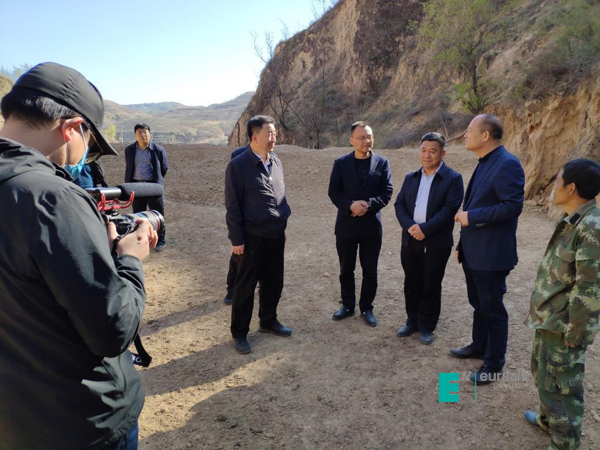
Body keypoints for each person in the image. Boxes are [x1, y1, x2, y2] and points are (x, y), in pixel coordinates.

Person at [0, 62, 157, 450]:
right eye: (89, 143)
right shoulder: (53, 198)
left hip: (17, 420)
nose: (84, 157)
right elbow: (113, 328)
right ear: (71, 128)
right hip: (84, 422)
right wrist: (129, 258)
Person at [523, 159, 600, 450]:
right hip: (551, 319)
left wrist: (575, 332)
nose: (553, 186)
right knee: (542, 373)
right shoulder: (574, 219)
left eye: (558, 181)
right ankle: (548, 420)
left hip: (565, 326)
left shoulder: (592, 227)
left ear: (571, 188)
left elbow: (590, 288)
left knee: (562, 387)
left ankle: (564, 443)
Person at [450, 114, 525, 384]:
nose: (464, 135)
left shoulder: (507, 163)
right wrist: (462, 244)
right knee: (478, 304)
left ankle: (493, 364)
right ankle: (479, 346)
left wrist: (472, 217)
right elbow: (475, 204)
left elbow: (512, 207)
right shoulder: (485, 161)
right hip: (474, 251)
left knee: (492, 309)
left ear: (485, 135)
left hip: (492, 254)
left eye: (469, 130)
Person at [224, 115, 292, 354]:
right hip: (252, 236)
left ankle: (268, 320)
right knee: (245, 286)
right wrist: (237, 240)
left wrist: (282, 226)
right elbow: (232, 206)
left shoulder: (276, 161)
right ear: (255, 137)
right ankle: (240, 332)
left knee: (274, 281)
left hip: (275, 234)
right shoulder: (238, 166)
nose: (274, 138)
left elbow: (280, 196)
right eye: (269, 134)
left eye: (274, 134)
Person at [394, 132, 464, 344]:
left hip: (436, 242)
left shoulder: (453, 179)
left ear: (443, 153)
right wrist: (410, 227)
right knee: (411, 281)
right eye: (423, 150)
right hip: (410, 238)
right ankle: (412, 320)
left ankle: (427, 326)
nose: (427, 155)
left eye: (432, 151)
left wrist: (425, 229)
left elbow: (449, 209)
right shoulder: (411, 177)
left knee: (431, 283)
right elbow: (399, 204)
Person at [328, 121, 393, 327]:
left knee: (370, 271)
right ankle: (347, 305)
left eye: (369, 137)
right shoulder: (341, 163)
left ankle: (366, 307)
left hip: (371, 227)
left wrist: (369, 205)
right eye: (362, 137)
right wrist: (350, 205)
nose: (366, 141)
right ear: (352, 140)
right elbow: (334, 191)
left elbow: (387, 191)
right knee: (346, 269)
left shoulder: (382, 163)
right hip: (346, 226)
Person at [124, 123, 168, 251]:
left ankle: (160, 241)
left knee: (158, 215)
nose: (142, 135)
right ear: (135, 135)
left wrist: (156, 180)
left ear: (149, 134)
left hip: (152, 186)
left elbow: (164, 168)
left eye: (145, 132)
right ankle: (140, 240)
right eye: (139, 132)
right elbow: (129, 166)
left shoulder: (158, 150)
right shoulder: (129, 150)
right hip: (136, 186)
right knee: (138, 215)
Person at [223, 144, 250, 305]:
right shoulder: (238, 157)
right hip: (244, 219)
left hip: (264, 222)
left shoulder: (271, 158)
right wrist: (236, 236)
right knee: (238, 257)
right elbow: (232, 202)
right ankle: (232, 289)